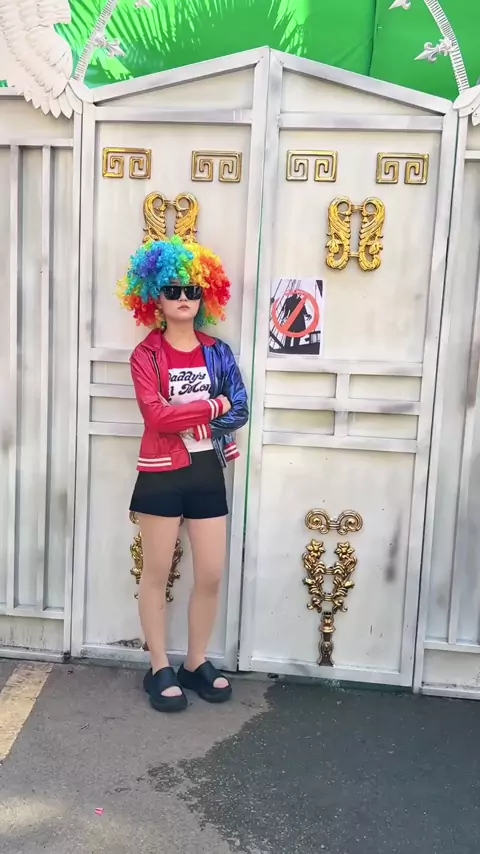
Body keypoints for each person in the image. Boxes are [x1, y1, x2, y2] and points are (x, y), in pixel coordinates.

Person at [117, 235, 249, 713]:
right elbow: (156, 417)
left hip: (206, 469)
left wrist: (199, 417)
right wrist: (213, 405)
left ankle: (195, 662)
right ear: (155, 298)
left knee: (210, 573)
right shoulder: (145, 355)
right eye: (172, 290)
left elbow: (242, 408)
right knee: (156, 572)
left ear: (204, 295)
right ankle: (159, 666)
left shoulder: (218, 351)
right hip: (161, 473)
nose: (183, 298)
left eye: (192, 290)